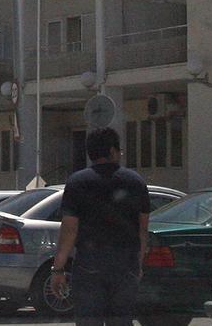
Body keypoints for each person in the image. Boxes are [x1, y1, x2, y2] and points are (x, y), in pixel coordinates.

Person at [49, 126, 151, 325]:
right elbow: (143, 229)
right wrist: (138, 264)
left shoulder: (77, 183)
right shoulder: (135, 182)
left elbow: (69, 230)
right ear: (113, 151)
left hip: (89, 266)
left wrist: (58, 269)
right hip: (125, 265)